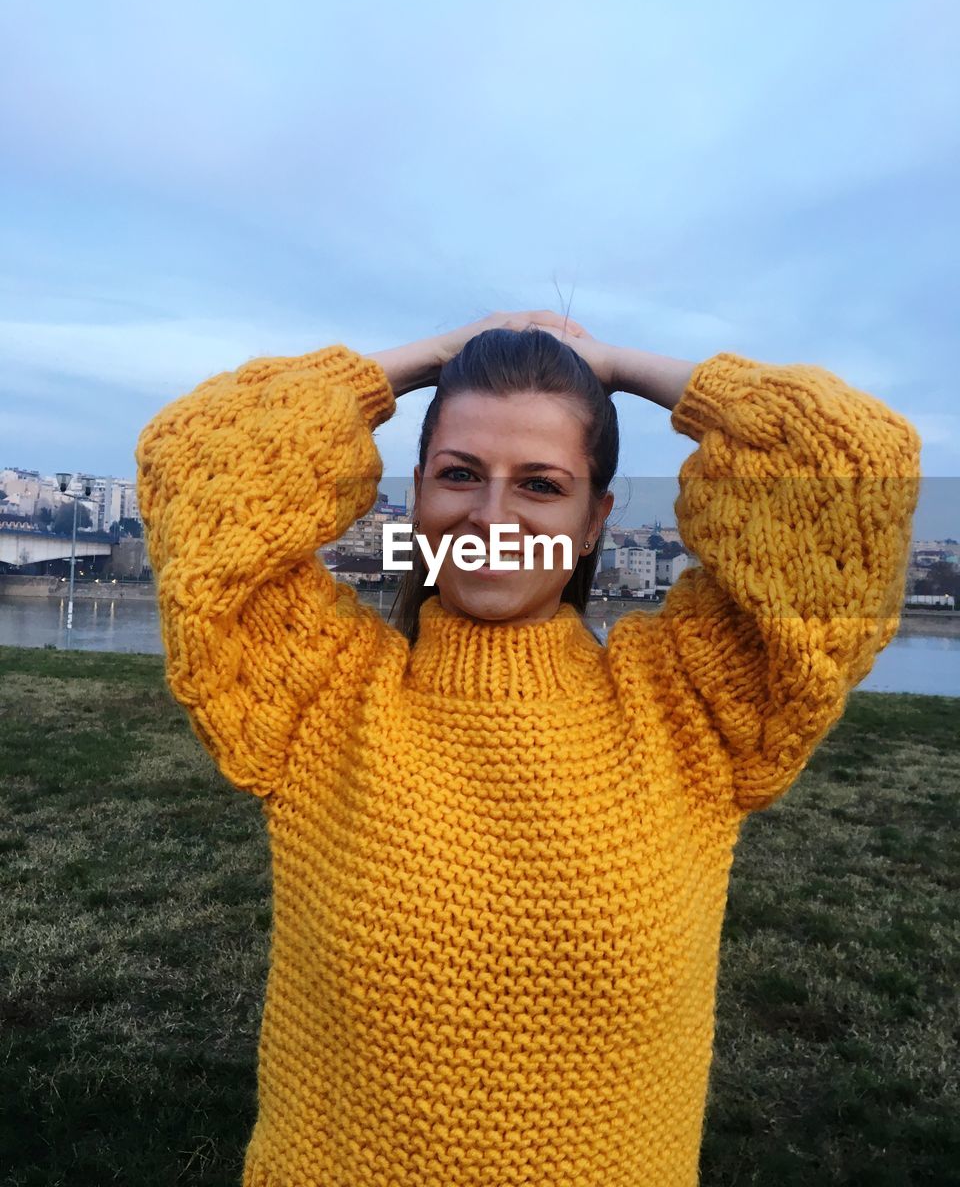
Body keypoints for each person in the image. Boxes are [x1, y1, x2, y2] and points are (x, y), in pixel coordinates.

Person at [135, 310, 920, 1187]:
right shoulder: (322, 694)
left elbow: (851, 465)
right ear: (419, 494)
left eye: (542, 484)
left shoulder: (688, 707)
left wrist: (618, 367)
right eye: (460, 474)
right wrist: (432, 359)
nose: (492, 516)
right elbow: (198, 456)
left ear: (595, 521)